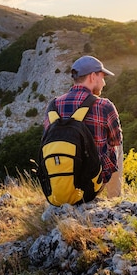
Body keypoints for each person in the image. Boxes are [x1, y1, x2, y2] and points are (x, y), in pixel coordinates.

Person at [43, 55, 124, 198]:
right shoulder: (104, 105)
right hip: (92, 185)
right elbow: (116, 140)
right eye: (102, 77)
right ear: (93, 76)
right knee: (118, 146)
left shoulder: (53, 105)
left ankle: (62, 189)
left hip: (62, 177)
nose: (104, 83)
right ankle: (114, 199)